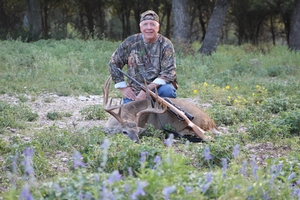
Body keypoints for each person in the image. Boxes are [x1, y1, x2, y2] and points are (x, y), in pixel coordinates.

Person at [108, 10, 177, 104]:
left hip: (158, 89)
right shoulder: (130, 42)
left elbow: (168, 73)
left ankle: (163, 115)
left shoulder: (165, 44)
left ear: (158, 27)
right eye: (145, 24)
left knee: (168, 91)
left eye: (152, 24)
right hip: (135, 91)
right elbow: (113, 63)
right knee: (127, 115)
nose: (149, 28)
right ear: (140, 27)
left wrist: (147, 90)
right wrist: (123, 88)